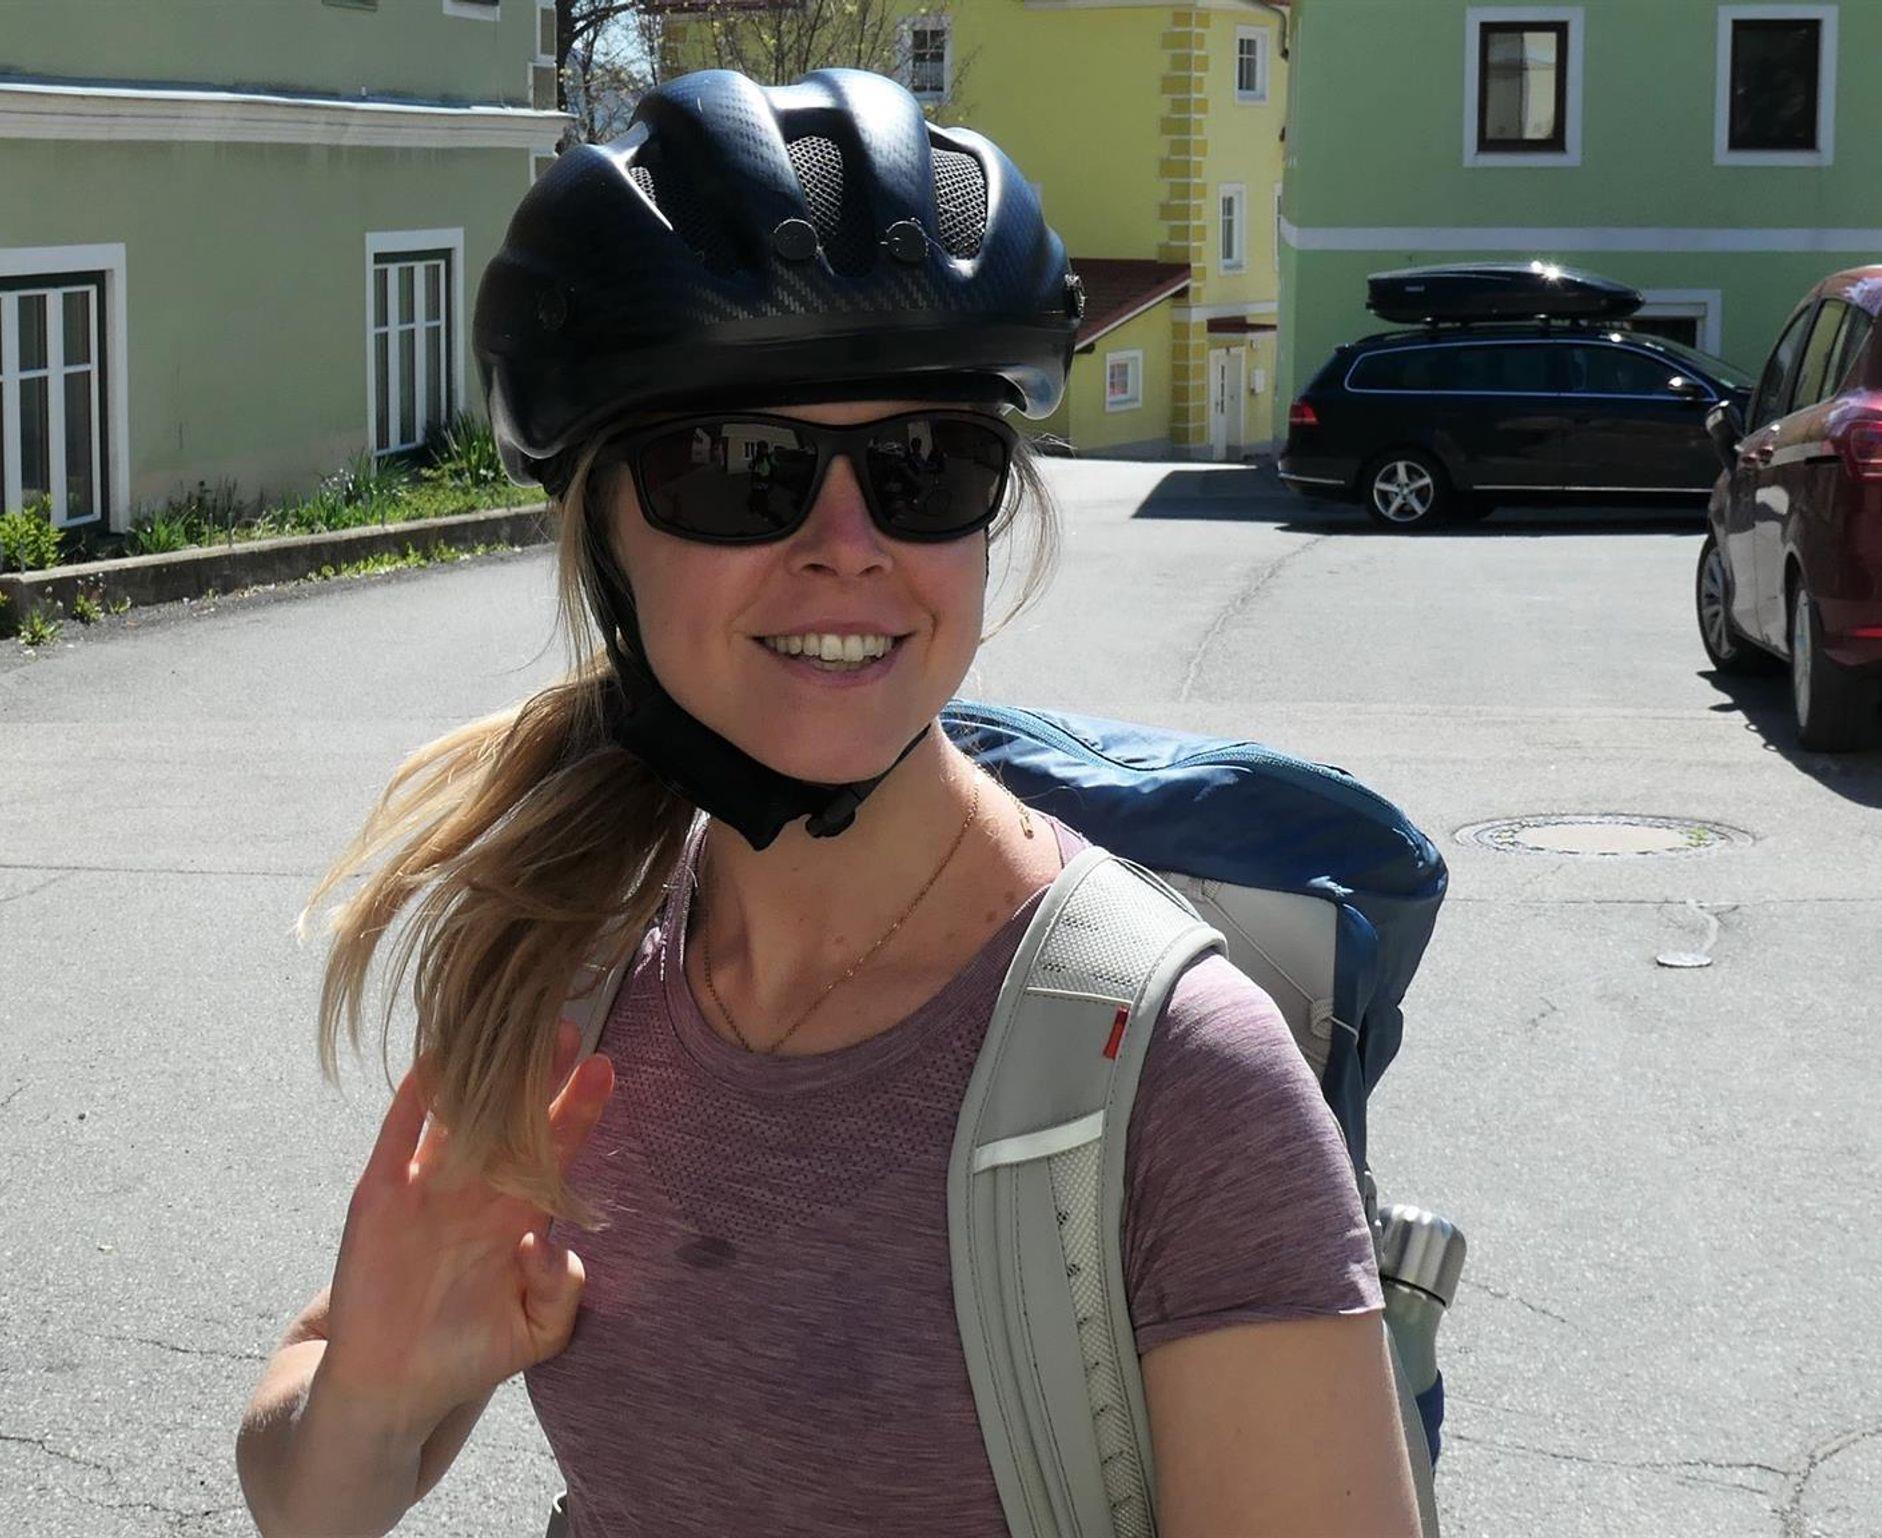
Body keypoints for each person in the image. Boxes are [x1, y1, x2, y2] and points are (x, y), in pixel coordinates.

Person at [235, 66, 1422, 1538]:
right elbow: (311, 1497)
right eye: (742, 469)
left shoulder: (1178, 1079)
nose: (848, 543)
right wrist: (369, 1395)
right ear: (604, 539)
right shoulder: (567, 972)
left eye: (927, 465)